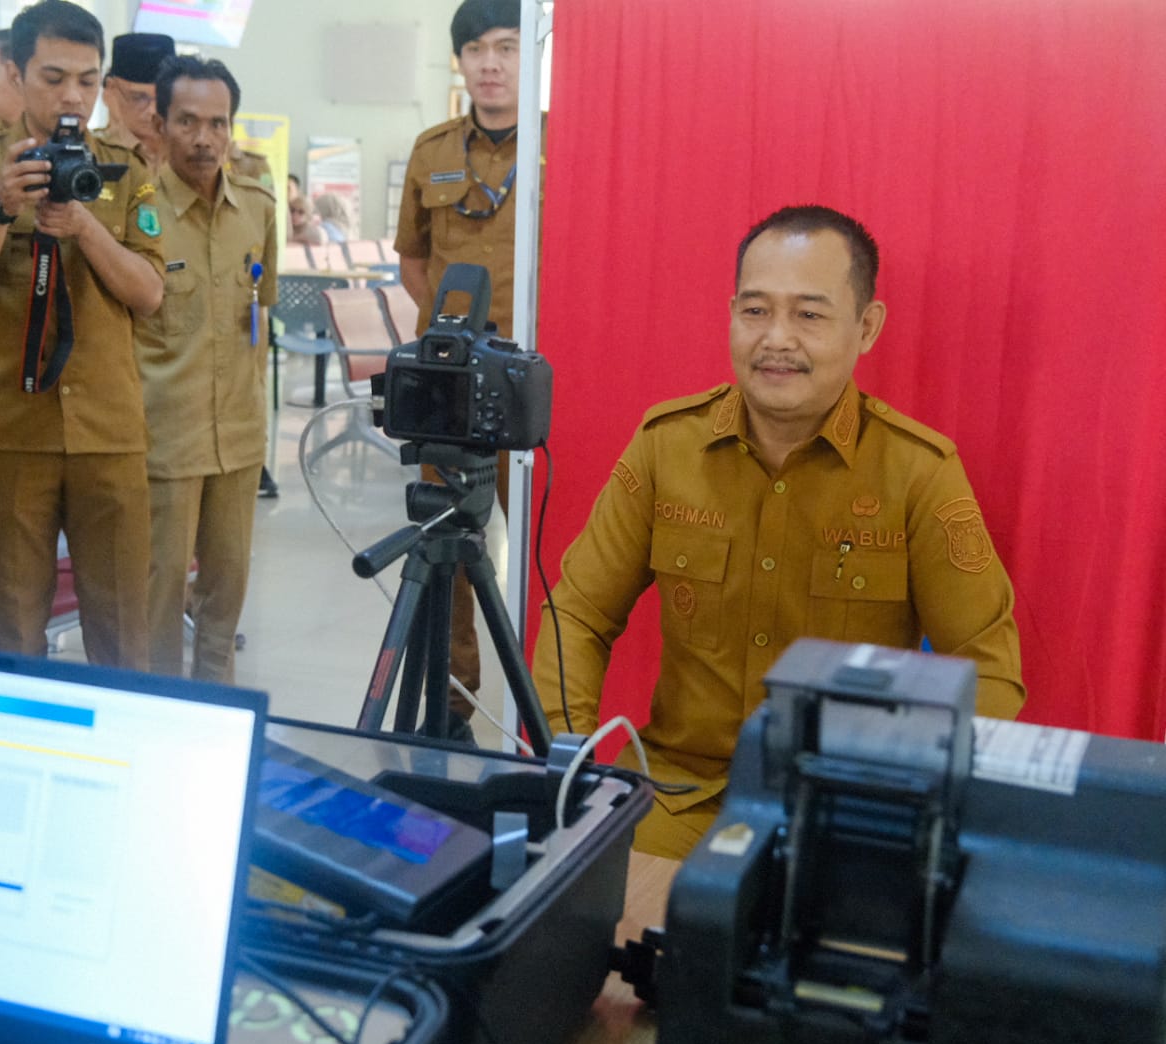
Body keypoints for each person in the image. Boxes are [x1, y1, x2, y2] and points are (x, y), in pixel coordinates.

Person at [531, 205, 1026, 860]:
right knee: (589, 927)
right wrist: (573, 765)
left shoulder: (916, 472)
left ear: (865, 327)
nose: (776, 339)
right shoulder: (664, 448)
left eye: (809, 315)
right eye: (755, 311)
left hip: (842, 811)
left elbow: (988, 672)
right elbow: (577, 615)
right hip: (680, 796)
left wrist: (909, 805)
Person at [0, 0, 163, 668]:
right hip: (11, 430)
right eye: (54, 77)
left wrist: (85, 226)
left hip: (108, 431)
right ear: (15, 71)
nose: (73, 96)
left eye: (88, 81)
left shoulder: (123, 166)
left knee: (124, 633)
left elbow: (149, 293)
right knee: (16, 632)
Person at [393, 0, 528, 732]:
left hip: (535, 381)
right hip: (449, 384)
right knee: (448, 543)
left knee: (550, 543)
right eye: (475, 48)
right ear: (458, 60)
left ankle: (553, 696)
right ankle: (450, 703)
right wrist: (452, 336)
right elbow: (413, 259)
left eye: (506, 47)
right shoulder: (432, 148)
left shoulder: (561, 144)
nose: (490, 63)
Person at [133, 55, 277, 683]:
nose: (203, 138)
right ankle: (160, 720)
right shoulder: (137, 215)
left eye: (217, 123)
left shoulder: (258, 208)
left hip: (239, 440)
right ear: (160, 124)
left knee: (224, 604)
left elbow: (261, 311)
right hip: (163, 442)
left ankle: (218, 718)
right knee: (156, 608)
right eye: (187, 121)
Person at [97, 32, 173, 170]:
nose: (153, 110)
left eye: (163, 97)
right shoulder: (94, 153)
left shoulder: (188, 153)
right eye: (139, 98)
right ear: (110, 90)